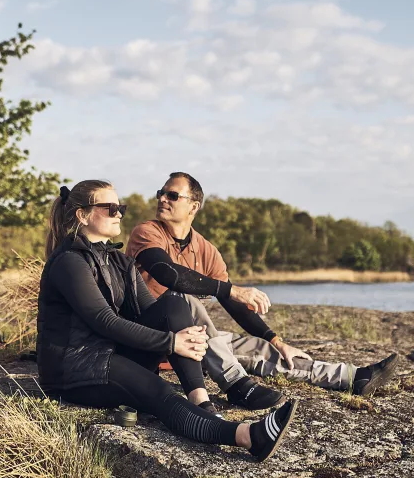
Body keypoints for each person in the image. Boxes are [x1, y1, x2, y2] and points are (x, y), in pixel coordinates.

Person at [36, 180, 296, 462]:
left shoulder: (117, 260)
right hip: (75, 368)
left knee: (175, 302)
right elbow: (104, 321)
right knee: (157, 392)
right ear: (83, 215)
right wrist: (172, 343)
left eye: (120, 207)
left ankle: (201, 401)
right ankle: (249, 436)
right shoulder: (70, 261)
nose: (120, 213)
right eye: (111, 208)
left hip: (110, 354)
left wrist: (185, 337)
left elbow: (158, 311)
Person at [125, 172, 399, 412]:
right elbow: (169, 274)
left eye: (172, 195)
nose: (163, 199)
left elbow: (233, 305)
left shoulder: (205, 249)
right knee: (182, 300)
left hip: (194, 344)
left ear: (193, 206)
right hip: (150, 337)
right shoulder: (146, 232)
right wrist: (232, 290)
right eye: (161, 193)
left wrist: (276, 339)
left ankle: (352, 377)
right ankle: (235, 383)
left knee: (264, 350)